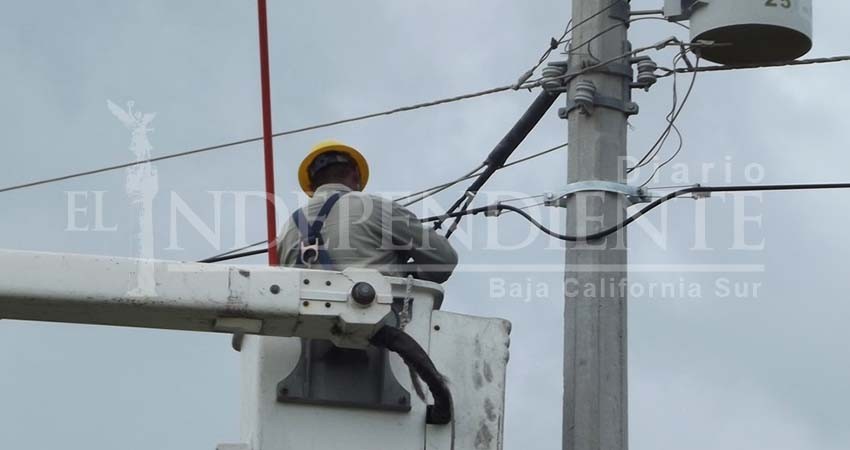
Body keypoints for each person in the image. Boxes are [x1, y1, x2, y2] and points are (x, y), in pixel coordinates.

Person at [276, 140, 457, 283]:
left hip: (305, 328)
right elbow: (444, 260)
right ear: (356, 175)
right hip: (380, 324)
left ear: (311, 185)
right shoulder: (377, 208)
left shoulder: (287, 231)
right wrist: (411, 273)